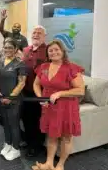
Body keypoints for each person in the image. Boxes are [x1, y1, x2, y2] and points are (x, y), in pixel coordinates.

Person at [32, 40, 85, 170]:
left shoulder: (71, 68)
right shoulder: (43, 67)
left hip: (66, 108)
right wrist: (40, 97)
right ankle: (49, 163)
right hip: (49, 107)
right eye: (50, 50)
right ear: (47, 54)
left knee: (66, 137)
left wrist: (60, 93)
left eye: (56, 49)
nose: (54, 52)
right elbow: (36, 84)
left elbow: (80, 90)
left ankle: (60, 165)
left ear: (62, 51)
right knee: (51, 135)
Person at [0, 38, 27, 161]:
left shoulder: (20, 64)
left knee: (14, 124)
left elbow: (22, 83)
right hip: (1, 98)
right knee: (5, 123)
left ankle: (16, 148)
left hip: (14, 100)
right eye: (5, 47)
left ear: (15, 49)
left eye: (10, 48)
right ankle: (8, 143)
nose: (7, 50)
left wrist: (10, 97)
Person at [22, 25, 47, 157]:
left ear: (44, 36)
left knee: (37, 120)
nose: (36, 35)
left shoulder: (48, 50)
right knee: (26, 117)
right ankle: (28, 140)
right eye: (34, 32)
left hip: (40, 93)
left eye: (39, 33)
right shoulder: (26, 49)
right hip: (25, 91)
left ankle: (36, 146)